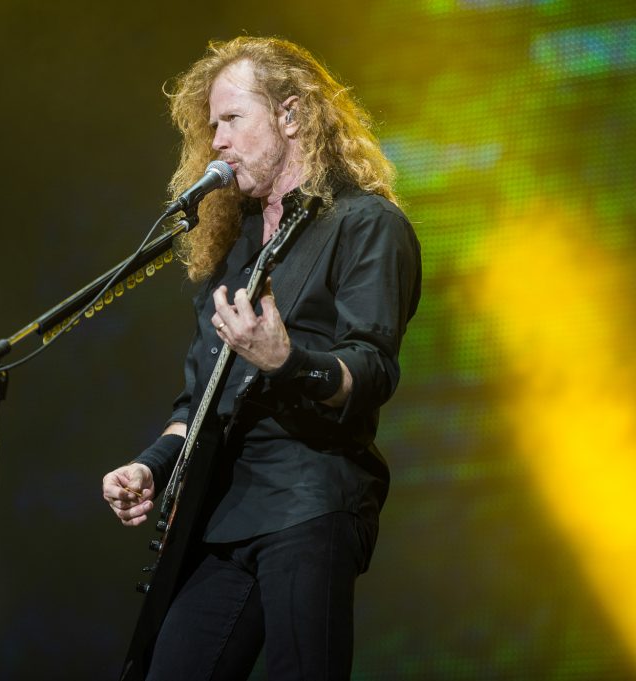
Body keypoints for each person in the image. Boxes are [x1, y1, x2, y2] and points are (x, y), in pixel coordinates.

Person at [101, 36, 422, 680]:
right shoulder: (236, 248)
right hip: (220, 512)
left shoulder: (367, 223)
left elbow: (372, 370)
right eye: (211, 125)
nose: (216, 141)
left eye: (231, 119)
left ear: (291, 115)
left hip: (310, 500)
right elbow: (199, 400)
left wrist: (287, 361)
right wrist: (151, 466)